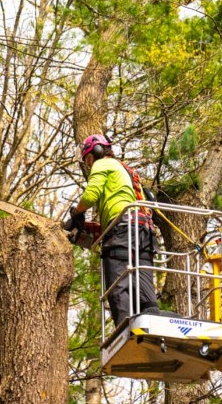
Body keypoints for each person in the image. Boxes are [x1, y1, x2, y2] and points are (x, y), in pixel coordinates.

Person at [66, 134, 159, 328]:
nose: (88, 164)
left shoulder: (103, 164)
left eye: (88, 159)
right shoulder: (126, 171)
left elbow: (91, 195)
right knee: (143, 284)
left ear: (97, 152)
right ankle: (152, 324)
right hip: (143, 231)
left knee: (118, 286)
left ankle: (125, 331)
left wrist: (77, 213)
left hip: (123, 230)